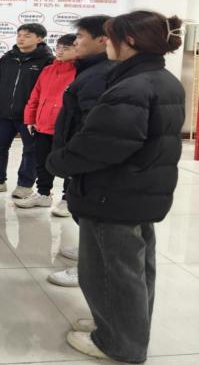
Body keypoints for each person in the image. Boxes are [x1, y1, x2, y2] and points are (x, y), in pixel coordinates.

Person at [46, 11, 185, 363]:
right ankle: (121, 328)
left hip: (113, 193)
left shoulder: (132, 87)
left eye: (112, 36)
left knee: (110, 272)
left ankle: (119, 344)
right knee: (135, 271)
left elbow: (102, 145)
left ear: (130, 41)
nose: (107, 42)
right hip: (139, 190)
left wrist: (58, 163)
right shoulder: (161, 79)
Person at [45, 15, 114, 288]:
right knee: (84, 211)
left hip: (89, 161)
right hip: (81, 159)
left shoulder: (101, 74)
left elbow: (92, 128)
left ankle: (90, 268)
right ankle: (89, 252)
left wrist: (69, 159)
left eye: (81, 36)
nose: (75, 42)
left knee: (94, 212)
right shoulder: (90, 70)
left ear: (103, 40)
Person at [0, 23, 53, 197]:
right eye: (19, 35)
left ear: (40, 39)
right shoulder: (7, 58)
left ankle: (25, 185)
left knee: (31, 150)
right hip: (5, 113)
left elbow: (48, 91)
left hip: (30, 116)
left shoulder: (47, 61)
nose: (21, 39)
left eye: (27, 36)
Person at [15, 34, 77, 214]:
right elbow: (35, 96)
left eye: (66, 48)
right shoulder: (48, 70)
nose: (60, 51)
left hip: (66, 127)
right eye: (58, 47)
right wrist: (30, 119)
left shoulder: (80, 72)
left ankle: (68, 199)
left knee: (69, 163)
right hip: (42, 125)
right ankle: (43, 194)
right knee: (42, 162)